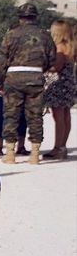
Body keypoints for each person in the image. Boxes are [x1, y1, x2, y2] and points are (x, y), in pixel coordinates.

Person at [0, 1, 56, 164]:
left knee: (11, 115)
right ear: (35, 17)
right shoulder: (45, 35)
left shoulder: (11, 34)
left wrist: (0, 81)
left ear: (20, 17)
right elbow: (52, 58)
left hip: (14, 78)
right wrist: (40, 69)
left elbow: (2, 60)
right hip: (35, 77)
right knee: (35, 116)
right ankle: (35, 155)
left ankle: (10, 154)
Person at [44, 19, 75, 160]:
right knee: (66, 115)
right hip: (68, 83)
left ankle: (57, 148)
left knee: (58, 117)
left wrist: (43, 66)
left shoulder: (59, 48)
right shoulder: (71, 47)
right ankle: (63, 146)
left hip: (58, 84)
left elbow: (56, 67)